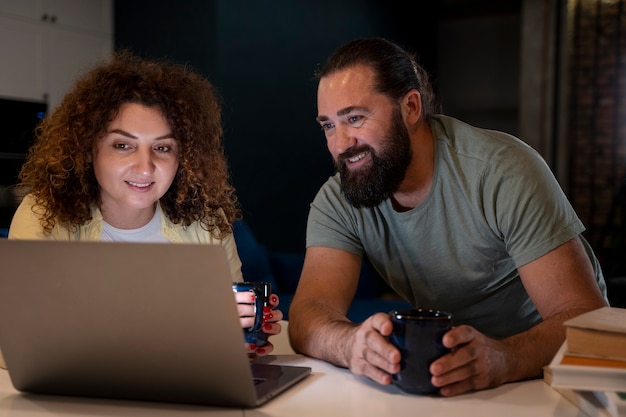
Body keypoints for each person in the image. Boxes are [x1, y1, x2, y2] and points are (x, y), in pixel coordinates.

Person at [288, 37, 608, 397]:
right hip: (455, 377)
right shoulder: (339, 199)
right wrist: (349, 345)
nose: (340, 144)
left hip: (551, 375)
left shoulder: (502, 172)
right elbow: (308, 314)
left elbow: (585, 320)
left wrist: (504, 359)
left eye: (355, 118)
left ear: (410, 107)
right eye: (328, 125)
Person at [8, 51, 283, 356]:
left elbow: (228, 335)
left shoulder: (207, 221)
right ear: (88, 149)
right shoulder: (45, 213)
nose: (145, 167)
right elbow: (16, 345)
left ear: (183, 157)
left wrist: (241, 335)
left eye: (163, 148)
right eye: (123, 145)